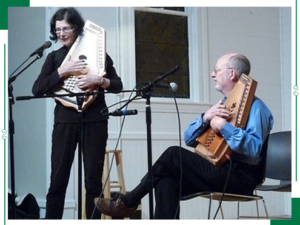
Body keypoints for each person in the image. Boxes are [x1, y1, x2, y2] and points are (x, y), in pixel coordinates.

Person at [94, 53, 274, 220]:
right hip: (216, 170)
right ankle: (130, 203)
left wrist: (223, 126)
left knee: (173, 154)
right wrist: (206, 118)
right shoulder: (222, 106)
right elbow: (189, 139)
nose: (212, 74)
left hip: (240, 178)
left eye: (217, 70)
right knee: (166, 178)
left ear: (232, 74)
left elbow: (253, 149)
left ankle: (129, 201)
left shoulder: (257, 108)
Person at [32, 7, 123, 220]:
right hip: (65, 122)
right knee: (58, 181)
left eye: (66, 28)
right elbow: (37, 88)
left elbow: (118, 85)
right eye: (57, 30)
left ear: (77, 28)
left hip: (95, 121)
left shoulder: (99, 56)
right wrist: (62, 72)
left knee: (93, 181)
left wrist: (100, 81)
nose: (61, 33)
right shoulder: (54, 58)